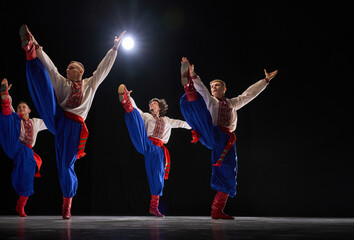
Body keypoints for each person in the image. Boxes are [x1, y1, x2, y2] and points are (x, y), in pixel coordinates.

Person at [19, 24, 126, 219]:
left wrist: (114, 49)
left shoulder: (90, 84)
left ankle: (67, 204)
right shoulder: (62, 82)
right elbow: (51, 66)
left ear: (81, 71)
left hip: (74, 128)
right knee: (45, 80)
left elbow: (103, 69)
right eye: (67, 67)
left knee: (65, 165)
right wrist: (37, 45)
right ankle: (30, 52)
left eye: (72, 67)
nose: (67, 69)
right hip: (57, 118)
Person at [179, 57, 278, 219]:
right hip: (211, 132)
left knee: (229, 172)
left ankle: (217, 210)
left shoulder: (232, 103)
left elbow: (249, 94)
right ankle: (189, 87)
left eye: (217, 85)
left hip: (227, 140)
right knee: (201, 105)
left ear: (225, 88)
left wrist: (265, 80)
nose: (213, 88)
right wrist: (193, 74)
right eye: (212, 86)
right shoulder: (210, 100)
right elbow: (203, 89)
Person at [118, 84, 192, 217]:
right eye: (150, 103)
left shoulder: (167, 120)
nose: (151, 105)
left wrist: (195, 126)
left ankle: (154, 207)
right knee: (135, 115)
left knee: (157, 177)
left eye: (154, 103)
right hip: (147, 143)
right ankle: (125, 103)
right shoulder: (147, 116)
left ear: (160, 107)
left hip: (159, 151)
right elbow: (137, 110)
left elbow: (181, 123)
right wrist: (129, 97)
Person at [0, 78, 47, 217]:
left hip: (27, 152)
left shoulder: (36, 122)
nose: (21, 109)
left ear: (29, 110)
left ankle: (21, 205)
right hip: (14, 144)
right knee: (10, 116)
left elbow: (50, 123)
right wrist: (6, 94)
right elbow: (12, 112)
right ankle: (4, 98)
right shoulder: (16, 118)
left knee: (27, 177)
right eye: (19, 108)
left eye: (23, 107)